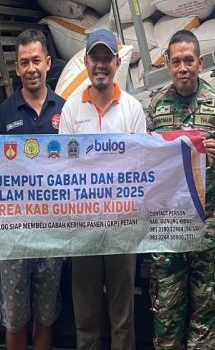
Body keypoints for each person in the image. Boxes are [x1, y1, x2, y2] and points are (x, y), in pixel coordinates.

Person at [145, 30, 215, 349]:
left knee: (205, 320)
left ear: (199, 63)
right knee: (166, 318)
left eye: (188, 61)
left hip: (203, 233)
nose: (182, 67)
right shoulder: (155, 108)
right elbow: (142, 164)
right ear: (168, 66)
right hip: (167, 232)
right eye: (176, 62)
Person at [59, 28, 146, 350]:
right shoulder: (71, 110)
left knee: (123, 318)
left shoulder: (132, 110)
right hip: (84, 230)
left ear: (116, 62)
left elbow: (140, 168)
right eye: (94, 57)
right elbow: (64, 172)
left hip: (123, 228)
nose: (100, 65)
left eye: (106, 58)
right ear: (85, 61)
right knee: (85, 319)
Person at [0, 29, 64, 350]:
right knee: (15, 315)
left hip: (52, 230)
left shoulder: (65, 111)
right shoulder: (4, 114)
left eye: (37, 60)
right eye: (24, 63)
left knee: (46, 314)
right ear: (17, 69)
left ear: (48, 63)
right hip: (14, 233)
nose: (31, 68)